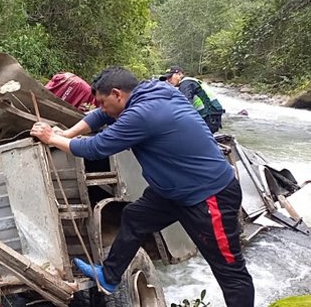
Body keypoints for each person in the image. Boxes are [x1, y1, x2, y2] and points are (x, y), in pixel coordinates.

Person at [30, 66, 254, 307]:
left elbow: (95, 148)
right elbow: (101, 116)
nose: (101, 108)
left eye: (103, 102)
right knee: (135, 217)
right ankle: (109, 277)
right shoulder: (151, 90)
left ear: (117, 94)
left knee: (230, 273)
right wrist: (67, 133)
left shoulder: (143, 115)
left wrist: (52, 139)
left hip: (209, 196)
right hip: (174, 191)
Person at [160, 66, 225, 133]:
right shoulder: (190, 81)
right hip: (212, 116)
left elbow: (184, 106)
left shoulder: (186, 84)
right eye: (166, 79)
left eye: (170, 77)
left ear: (179, 74)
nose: (168, 80)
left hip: (209, 117)